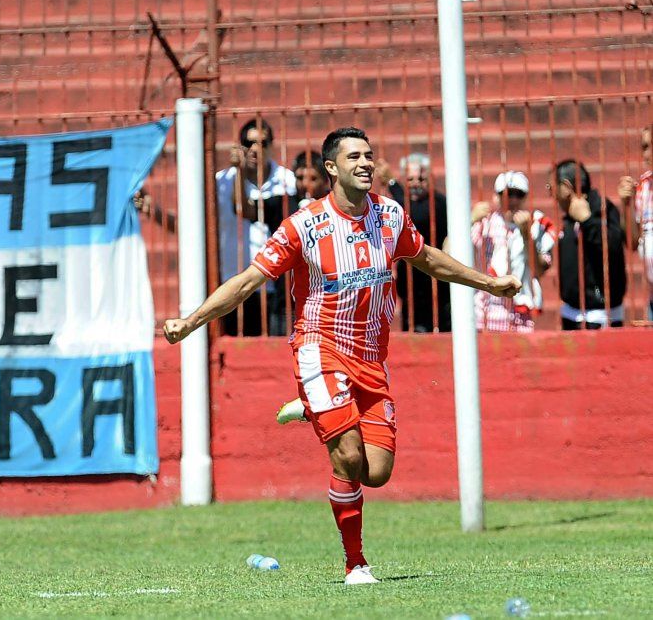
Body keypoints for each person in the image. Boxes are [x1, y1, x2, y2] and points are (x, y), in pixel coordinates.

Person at [164, 127, 520, 585]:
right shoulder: (304, 226)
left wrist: (489, 283)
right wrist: (191, 321)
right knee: (348, 458)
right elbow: (249, 280)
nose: (366, 163)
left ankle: (313, 408)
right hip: (320, 350)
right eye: (354, 157)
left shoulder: (390, 215)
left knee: (377, 472)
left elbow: (428, 258)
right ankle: (356, 563)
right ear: (331, 167)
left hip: (371, 358)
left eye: (369, 155)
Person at [216, 119, 296, 336]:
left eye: (262, 143)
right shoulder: (222, 181)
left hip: (275, 286)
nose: (254, 149)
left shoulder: (287, 181)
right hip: (234, 284)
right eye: (248, 143)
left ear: (271, 146)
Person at [470, 171, 557, 332]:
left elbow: (539, 270)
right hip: (485, 313)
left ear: (526, 197)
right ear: (496, 197)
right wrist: (469, 221)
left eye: (519, 194)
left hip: (519, 315)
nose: (513, 200)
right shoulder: (484, 223)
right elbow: (450, 252)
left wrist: (526, 236)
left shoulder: (536, 224)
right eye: (508, 194)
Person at [378, 153, 451, 332]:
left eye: (421, 179)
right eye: (410, 179)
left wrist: (393, 184)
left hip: (435, 282)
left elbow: (414, 216)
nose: (416, 184)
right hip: (410, 284)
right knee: (412, 329)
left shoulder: (438, 202)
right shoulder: (404, 202)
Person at [551, 159, 627, 329]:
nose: (552, 195)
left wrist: (587, 220)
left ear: (566, 187)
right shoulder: (569, 216)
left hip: (601, 318)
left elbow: (613, 247)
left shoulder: (602, 208)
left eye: (552, 188)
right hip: (571, 314)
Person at [617, 124, 653, 321]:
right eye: (644, 147)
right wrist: (627, 205)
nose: (646, 153)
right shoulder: (643, 187)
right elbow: (632, 242)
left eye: (650, 145)